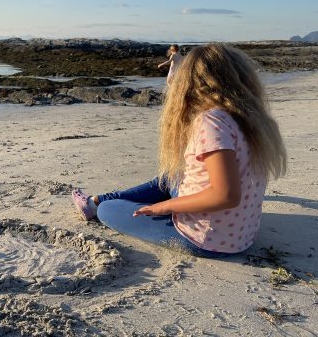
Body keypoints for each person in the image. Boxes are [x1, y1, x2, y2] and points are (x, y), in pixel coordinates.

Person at [72, 44, 287, 257]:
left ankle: (98, 204)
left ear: (190, 81)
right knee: (173, 176)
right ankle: (96, 200)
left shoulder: (212, 121)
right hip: (242, 235)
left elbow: (226, 195)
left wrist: (163, 207)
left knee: (109, 210)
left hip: (205, 239)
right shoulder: (250, 117)